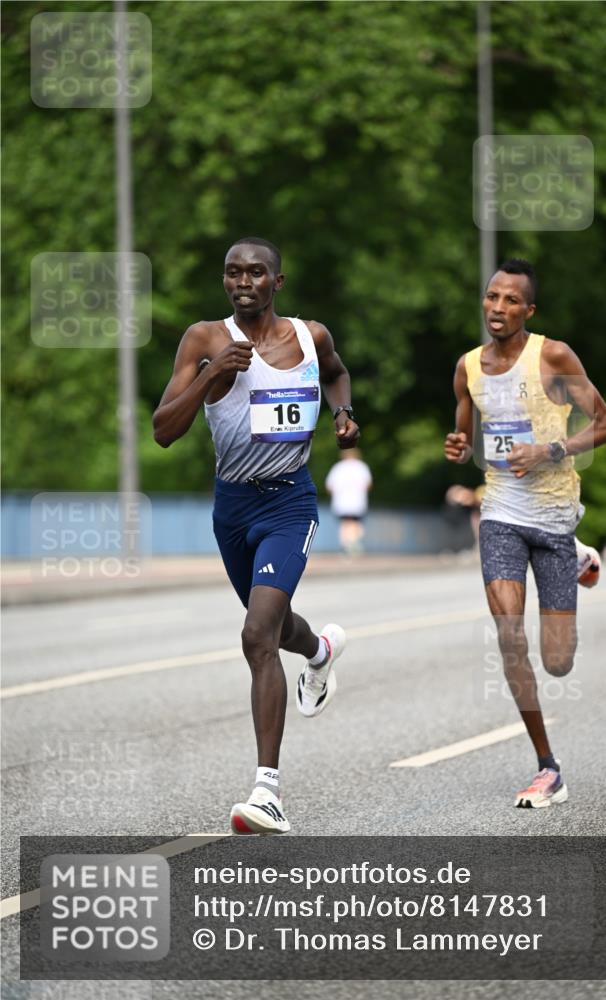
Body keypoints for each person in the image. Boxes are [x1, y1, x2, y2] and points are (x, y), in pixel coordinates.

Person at [153, 237, 359, 834]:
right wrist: (211, 375)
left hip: (290, 504)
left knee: (255, 634)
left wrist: (343, 414)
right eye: (233, 273)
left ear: (277, 281)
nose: (244, 282)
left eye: (256, 273)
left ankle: (266, 791)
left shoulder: (310, 337)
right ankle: (319, 651)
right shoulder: (204, 340)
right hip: (233, 509)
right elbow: (165, 430)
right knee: (274, 626)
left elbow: (338, 375)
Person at [445, 259, 606, 808]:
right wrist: (457, 447)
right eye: (492, 297)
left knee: (558, 661)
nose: (498, 308)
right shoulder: (467, 368)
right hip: (500, 513)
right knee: (508, 636)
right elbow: (467, 436)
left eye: (511, 300)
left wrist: (552, 449)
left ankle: (576, 556)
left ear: (529, 310)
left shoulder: (553, 356)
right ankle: (547, 766)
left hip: (554, 515)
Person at [325, 449, 372, 554]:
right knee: (356, 523)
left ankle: (346, 544)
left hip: (341, 502)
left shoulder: (338, 467)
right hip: (358, 501)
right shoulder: (361, 467)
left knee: (345, 523)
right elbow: (368, 485)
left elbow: (329, 486)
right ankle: (354, 542)